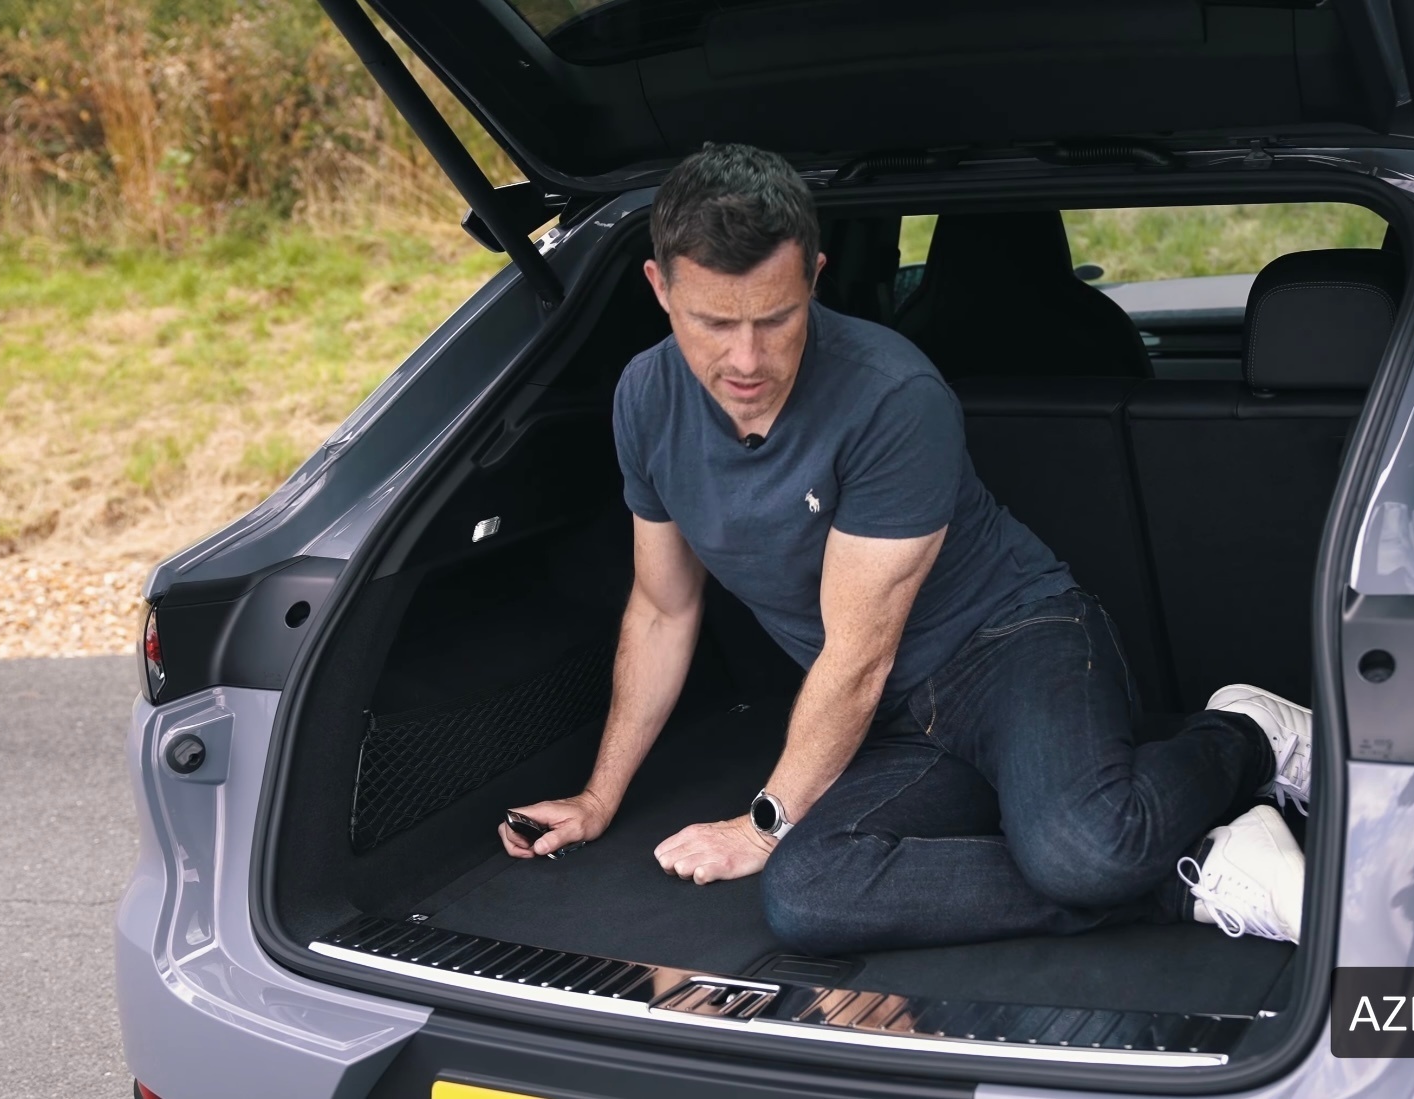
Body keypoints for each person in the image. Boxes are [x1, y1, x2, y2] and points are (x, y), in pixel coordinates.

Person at [500, 142, 1311, 954]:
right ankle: (1192, 877)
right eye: (714, 323)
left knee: (1082, 851)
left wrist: (761, 824)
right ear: (659, 287)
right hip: (890, 714)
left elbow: (859, 655)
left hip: (1015, 646)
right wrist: (598, 796)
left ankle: (1247, 736)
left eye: (775, 319)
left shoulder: (891, 394)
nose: (746, 359)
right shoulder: (645, 399)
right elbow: (661, 608)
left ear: (814, 278)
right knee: (809, 894)